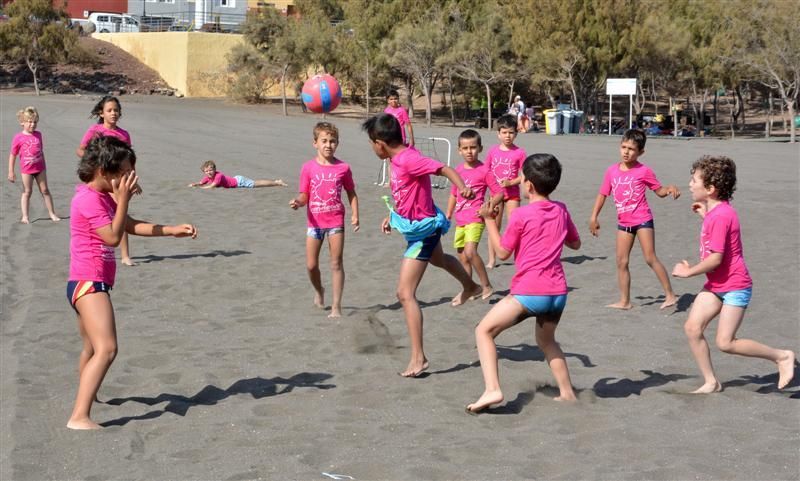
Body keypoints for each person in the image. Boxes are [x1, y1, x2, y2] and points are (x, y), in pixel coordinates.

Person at [66, 137, 197, 429]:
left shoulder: (100, 197)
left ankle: (89, 395)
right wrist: (122, 199)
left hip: (86, 282)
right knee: (108, 349)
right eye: (124, 173)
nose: (128, 179)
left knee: (90, 348)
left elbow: (128, 225)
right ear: (103, 171)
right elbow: (113, 237)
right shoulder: (87, 198)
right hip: (88, 282)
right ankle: (79, 416)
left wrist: (171, 230)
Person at [362, 113, 482, 378]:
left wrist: (462, 187)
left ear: (380, 143)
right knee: (439, 260)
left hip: (423, 233)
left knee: (404, 294)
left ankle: (419, 358)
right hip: (414, 226)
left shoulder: (409, 159)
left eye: (372, 143)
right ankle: (471, 286)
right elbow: (406, 194)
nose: (372, 148)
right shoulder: (398, 158)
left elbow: (444, 169)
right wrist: (392, 217)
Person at [466, 153, 581, 414]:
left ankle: (492, 388)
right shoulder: (562, 210)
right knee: (548, 341)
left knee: (483, 331)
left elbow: (503, 252)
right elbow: (575, 243)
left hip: (531, 292)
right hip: (558, 293)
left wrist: (488, 220)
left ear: (527, 185)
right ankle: (567, 393)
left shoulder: (521, 215)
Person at [672, 155, 795, 393]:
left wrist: (688, 272)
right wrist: (704, 216)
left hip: (735, 285)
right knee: (692, 328)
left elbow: (715, 259)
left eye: (693, 180)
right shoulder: (717, 213)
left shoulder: (721, 216)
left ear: (710, 189)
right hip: (717, 285)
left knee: (725, 343)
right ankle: (711, 381)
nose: (689, 184)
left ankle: (782, 357)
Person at [588, 129, 679, 310]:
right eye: (623, 147)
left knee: (650, 258)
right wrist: (594, 217)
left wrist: (669, 188)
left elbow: (659, 191)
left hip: (643, 219)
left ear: (640, 152)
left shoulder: (644, 171)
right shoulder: (611, 171)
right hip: (624, 223)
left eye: (631, 149)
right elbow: (602, 194)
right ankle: (625, 301)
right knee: (621, 262)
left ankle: (670, 295)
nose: (626, 152)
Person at [289, 122, 359, 318]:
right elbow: (304, 195)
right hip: (315, 223)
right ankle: (319, 290)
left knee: (336, 263)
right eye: (324, 141)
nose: (328, 145)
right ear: (315, 143)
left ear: (337, 143)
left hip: (336, 220)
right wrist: (298, 202)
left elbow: (351, 193)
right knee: (311, 265)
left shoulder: (343, 168)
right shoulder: (308, 168)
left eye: (333, 141)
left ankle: (336, 306)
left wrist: (355, 214)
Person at [76, 96, 137, 266]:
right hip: (103, 180)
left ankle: (125, 255)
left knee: (121, 214)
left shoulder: (124, 134)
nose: (113, 113)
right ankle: (101, 250)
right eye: (109, 110)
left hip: (120, 182)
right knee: (103, 217)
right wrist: (96, 162)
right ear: (101, 113)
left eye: (116, 110)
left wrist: (133, 178)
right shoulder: (95, 130)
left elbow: (129, 160)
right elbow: (80, 150)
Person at [445, 129, 502, 300]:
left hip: (476, 217)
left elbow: (499, 192)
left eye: (473, 147)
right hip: (460, 219)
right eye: (465, 148)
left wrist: (490, 205)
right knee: (462, 256)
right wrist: (448, 212)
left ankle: (486, 285)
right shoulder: (458, 170)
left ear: (480, 148)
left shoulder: (485, 170)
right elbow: (454, 193)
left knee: (471, 252)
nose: (469, 151)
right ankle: (469, 287)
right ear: (459, 150)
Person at [485, 114, 527, 269]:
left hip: (513, 195)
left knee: (514, 226)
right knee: (494, 226)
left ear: (516, 133)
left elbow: (524, 175)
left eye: (510, 132)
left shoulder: (520, 153)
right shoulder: (492, 152)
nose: (507, 136)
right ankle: (492, 259)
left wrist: (510, 182)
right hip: (495, 194)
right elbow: (486, 172)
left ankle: (518, 257)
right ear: (498, 134)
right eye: (504, 132)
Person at [7, 106, 60, 223]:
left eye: (35, 122)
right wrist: (11, 171)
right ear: (22, 122)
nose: (32, 124)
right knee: (27, 191)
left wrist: (44, 166)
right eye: (29, 122)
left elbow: (41, 151)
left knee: (45, 190)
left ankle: (52, 213)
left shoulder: (38, 135)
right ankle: (25, 216)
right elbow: (13, 155)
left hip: (40, 168)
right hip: (26, 170)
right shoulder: (18, 137)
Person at [189, 160, 287, 189]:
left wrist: (200, 189)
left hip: (239, 182)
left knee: (257, 184)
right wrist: (194, 184)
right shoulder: (207, 177)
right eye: (206, 171)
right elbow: (201, 183)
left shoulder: (218, 176)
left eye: (210, 170)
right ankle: (276, 182)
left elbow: (212, 186)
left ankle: (277, 183)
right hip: (236, 180)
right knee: (256, 183)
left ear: (215, 170)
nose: (209, 172)